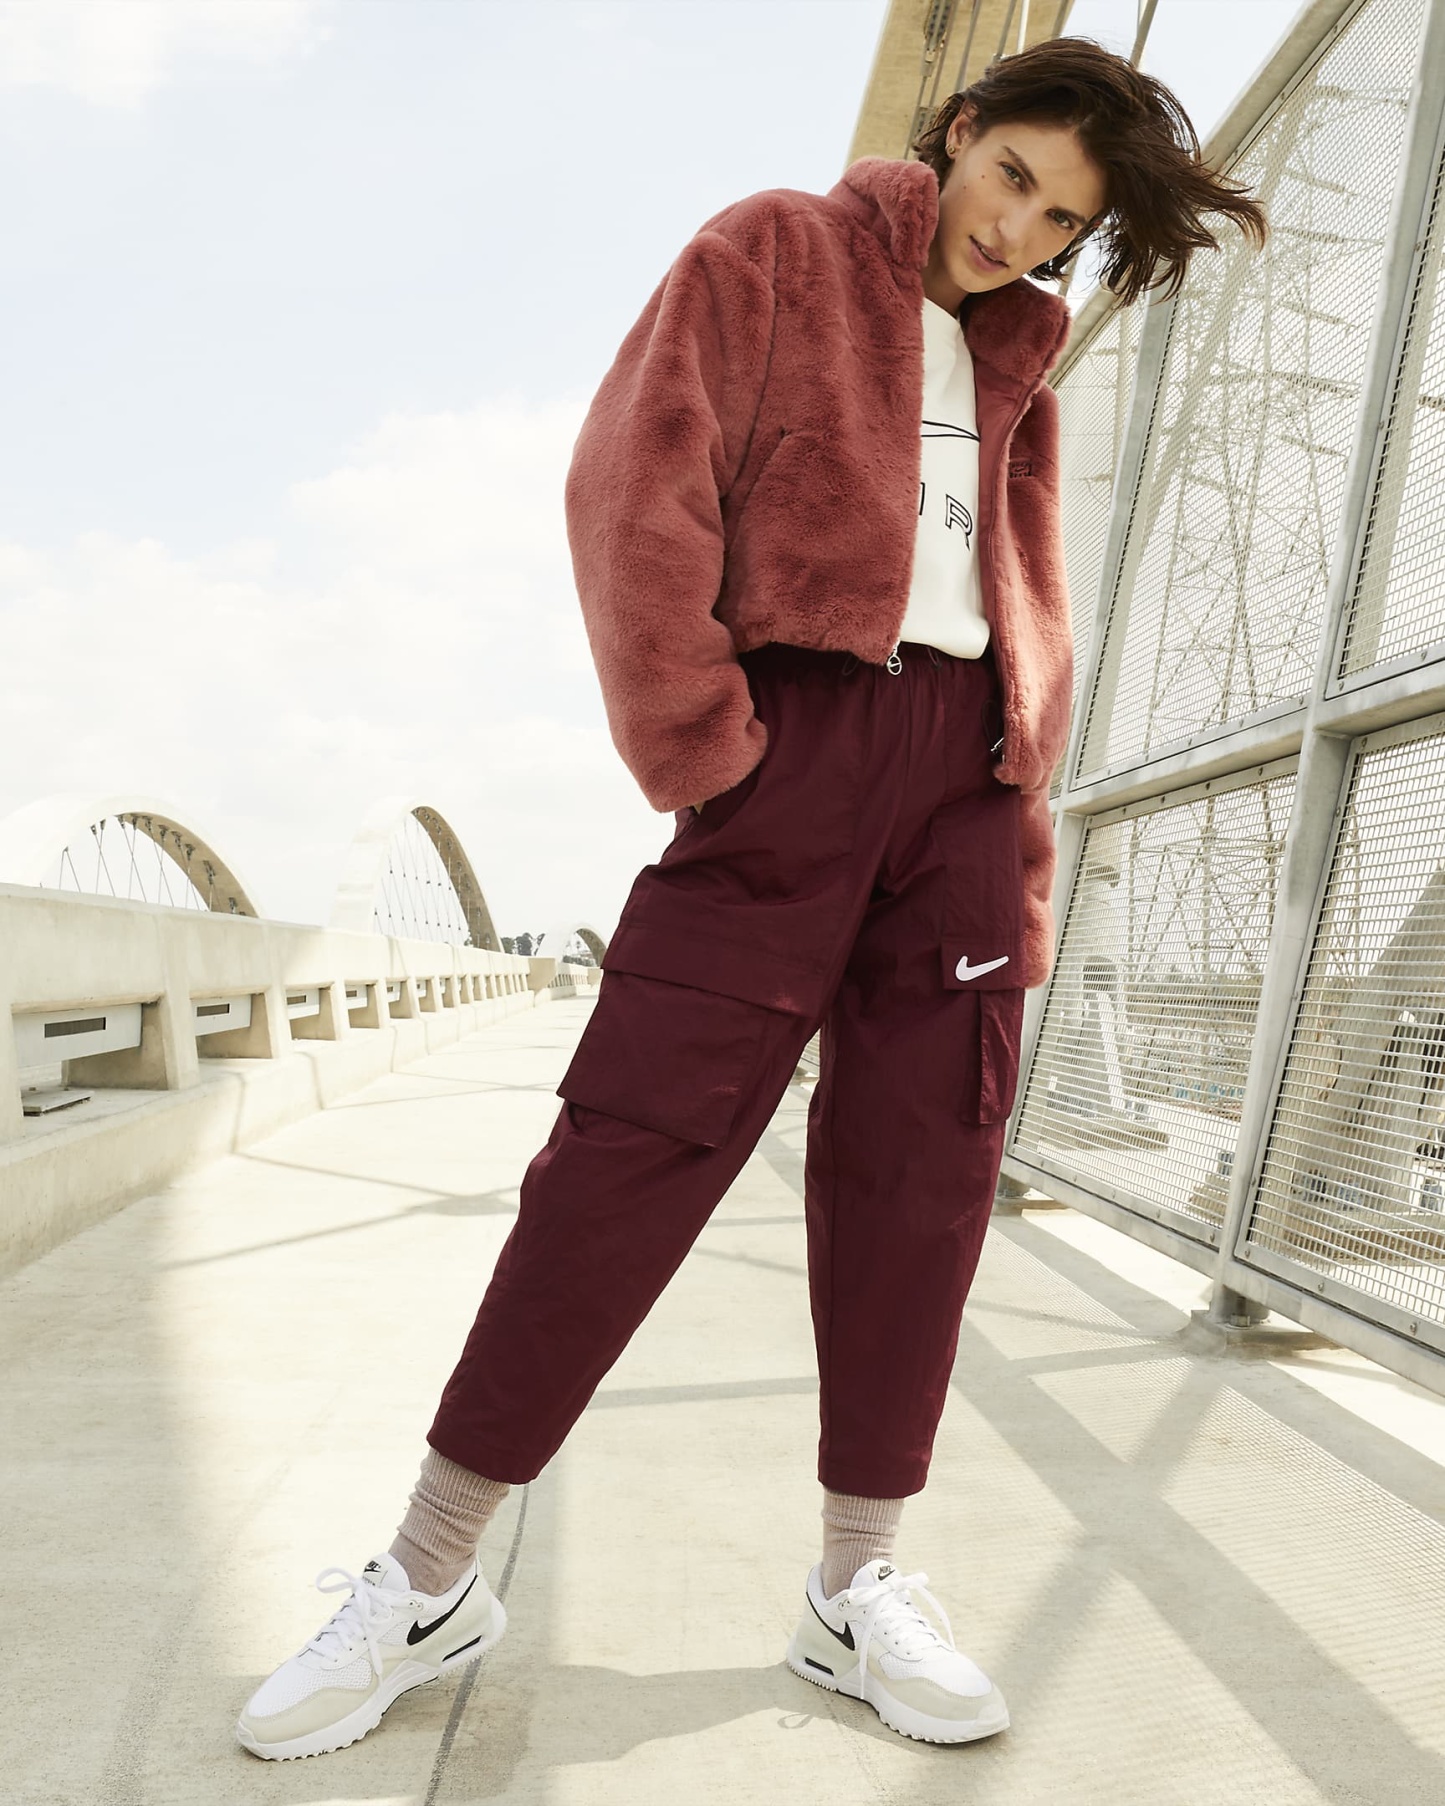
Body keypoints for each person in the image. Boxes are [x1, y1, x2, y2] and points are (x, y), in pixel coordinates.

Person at [237, 35, 1265, 1761]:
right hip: (788, 747)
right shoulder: (775, 247)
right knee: (627, 1146)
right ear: (958, 131)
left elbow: (1015, 583)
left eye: (1058, 220)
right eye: (1011, 176)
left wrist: (1015, 785)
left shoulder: (1018, 351)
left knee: (923, 1175)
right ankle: (425, 1572)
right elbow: (631, 480)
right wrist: (709, 749)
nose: (1017, 231)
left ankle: (855, 1586)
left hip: (961, 783)